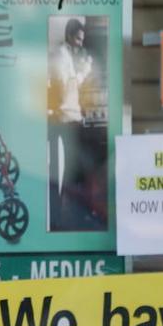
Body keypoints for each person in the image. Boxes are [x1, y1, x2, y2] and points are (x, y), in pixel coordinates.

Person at [47, 18, 94, 230]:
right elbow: (65, 84)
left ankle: (62, 214)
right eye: (78, 39)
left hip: (68, 116)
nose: (80, 44)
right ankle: (59, 216)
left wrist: (83, 70)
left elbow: (71, 84)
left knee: (67, 168)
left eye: (82, 40)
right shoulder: (59, 56)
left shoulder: (67, 56)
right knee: (62, 169)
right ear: (68, 36)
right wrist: (82, 71)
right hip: (64, 118)